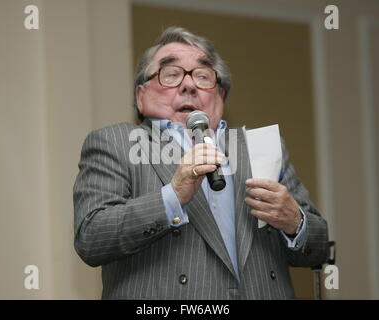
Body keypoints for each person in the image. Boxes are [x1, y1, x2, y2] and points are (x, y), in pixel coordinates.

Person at [73, 26, 329, 299]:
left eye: (203, 76)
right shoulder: (115, 142)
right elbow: (91, 238)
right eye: (171, 74)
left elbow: (320, 246)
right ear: (141, 96)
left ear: (221, 95)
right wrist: (171, 197)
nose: (189, 85)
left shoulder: (260, 146)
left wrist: (295, 223)